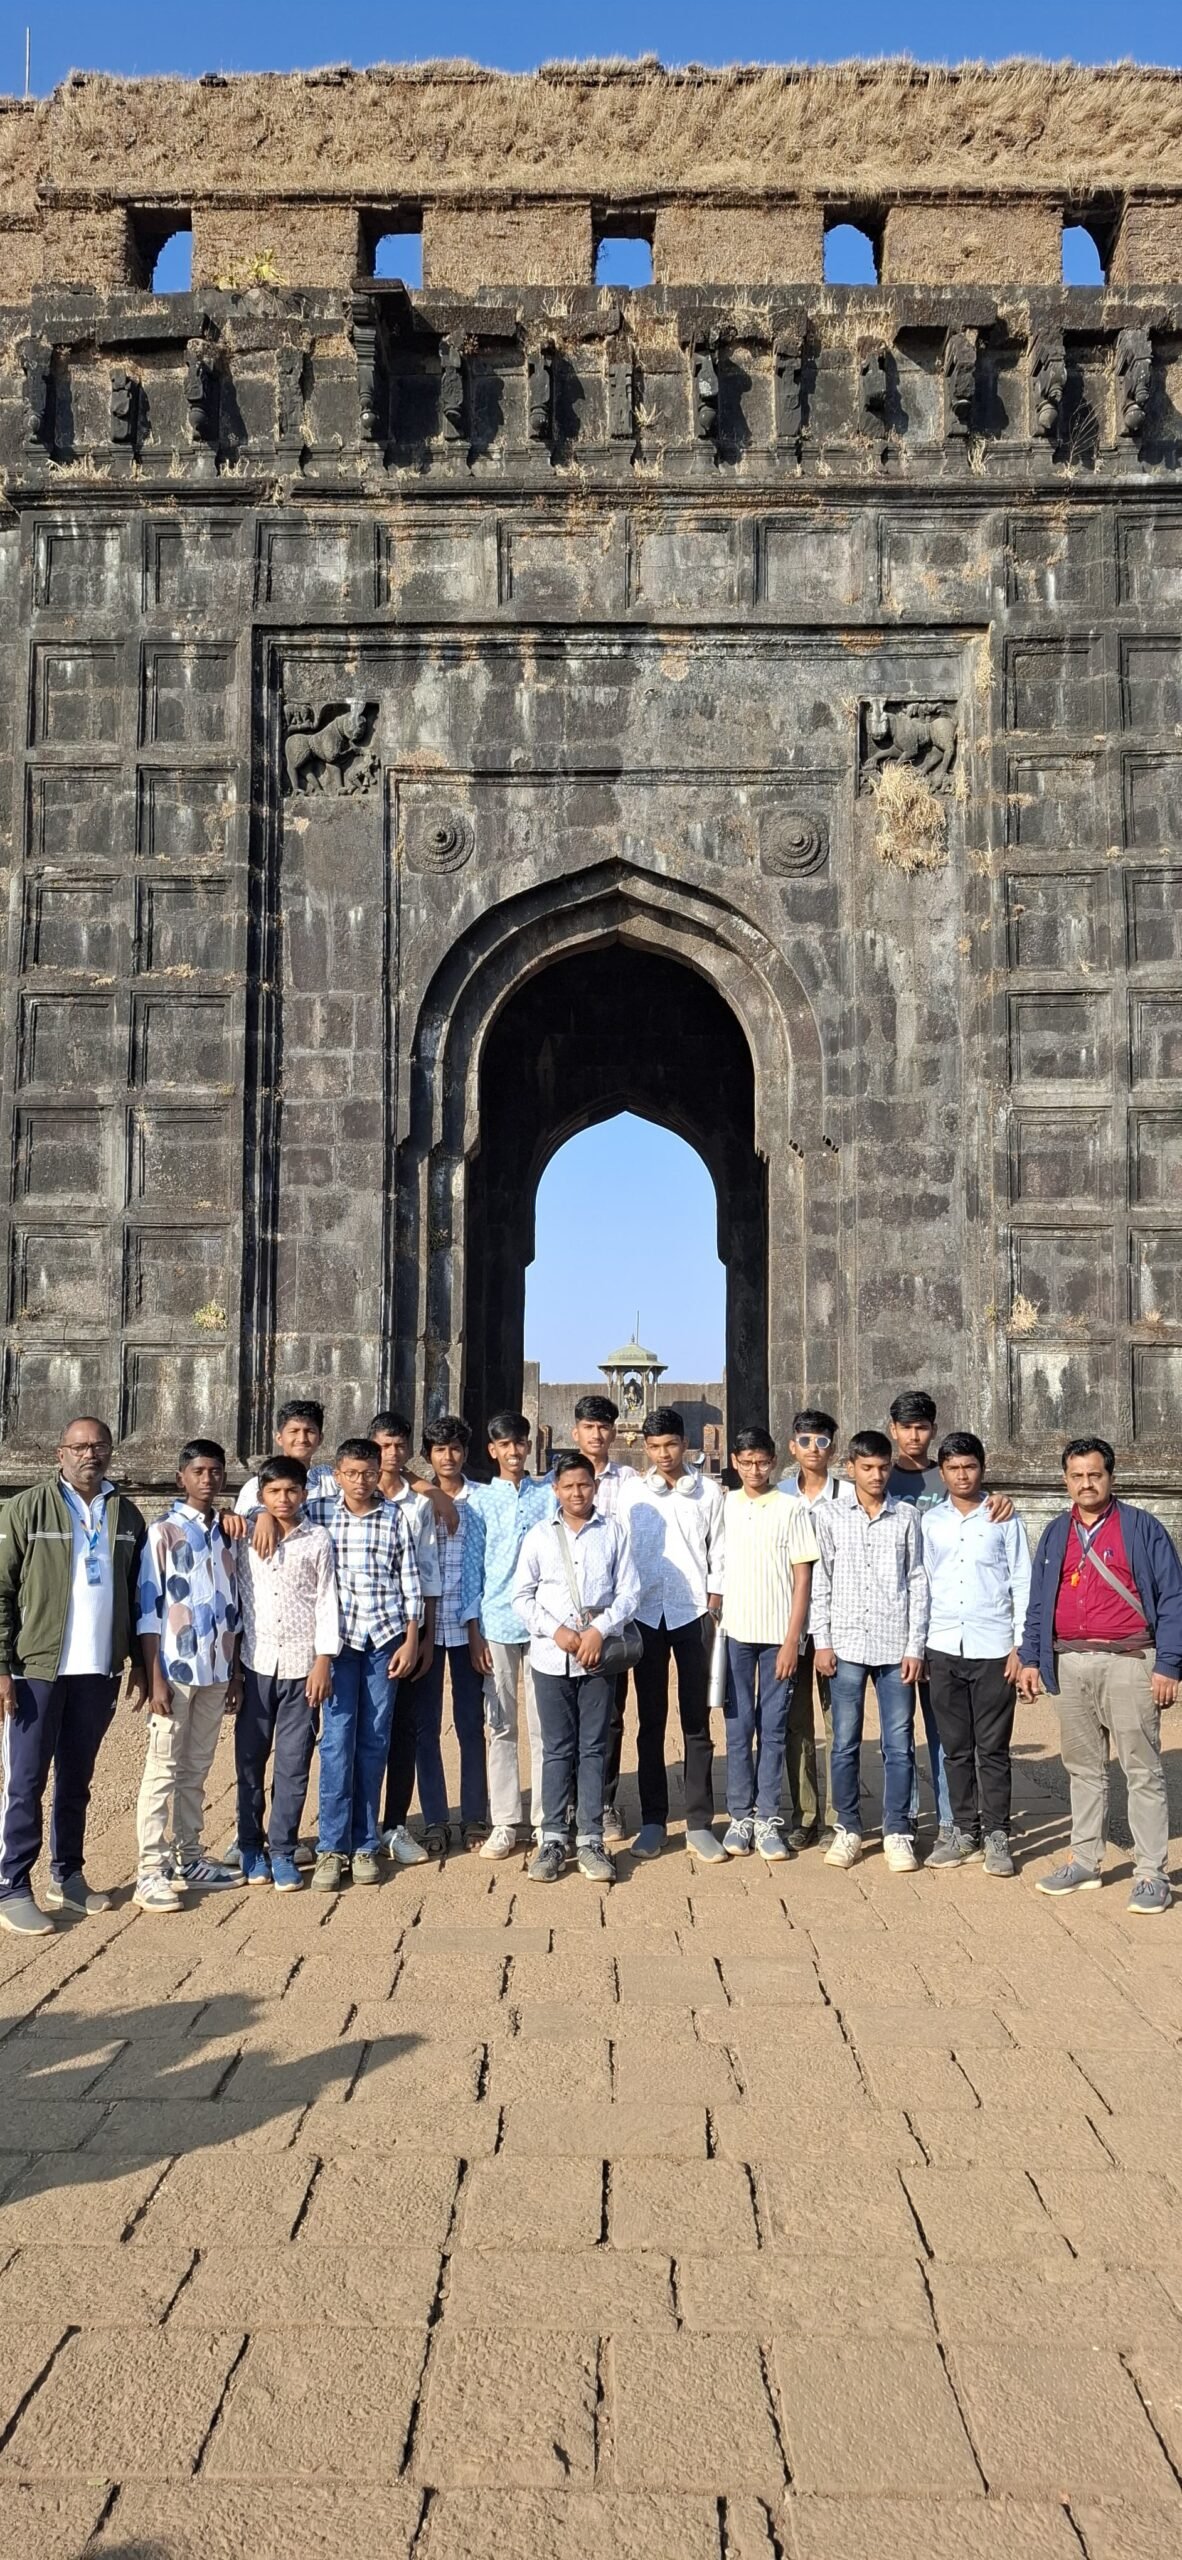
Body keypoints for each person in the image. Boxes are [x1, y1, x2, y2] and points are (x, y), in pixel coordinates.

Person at [1018, 1436, 1182, 1914]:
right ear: (1065, 1480)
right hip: (1069, 1662)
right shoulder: (1055, 1533)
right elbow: (1038, 1602)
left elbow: (1173, 1599)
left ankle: (1151, 1873)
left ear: (1110, 1477)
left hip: (1129, 1661)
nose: (1086, 1484)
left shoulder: (1142, 1528)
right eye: (1077, 1476)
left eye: (1095, 1475)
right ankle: (1085, 1860)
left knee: (1142, 1770)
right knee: (1083, 1768)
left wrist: (1169, 1664)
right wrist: (1031, 1657)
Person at [0, 1417, 147, 1936]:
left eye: (99, 1446)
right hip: (36, 1669)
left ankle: (67, 1876)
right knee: (25, 1780)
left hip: (96, 1669)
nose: (90, 1454)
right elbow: (0, 1590)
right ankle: (11, 1885)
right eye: (79, 1446)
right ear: (59, 1453)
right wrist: (2, 1667)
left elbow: (138, 1593)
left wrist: (138, 1662)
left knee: (77, 1779)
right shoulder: (26, 1509)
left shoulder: (126, 1514)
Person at [887, 1389, 1016, 1852]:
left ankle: (958, 1823)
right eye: (906, 1427)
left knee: (956, 1736)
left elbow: (1012, 1565)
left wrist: (1004, 1499)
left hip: (960, 1632)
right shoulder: (879, 1475)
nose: (914, 1435)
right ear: (893, 1430)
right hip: (903, 1626)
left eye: (922, 1427)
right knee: (902, 1733)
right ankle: (910, 1823)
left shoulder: (959, 1486)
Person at [513, 1451, 641, 1884]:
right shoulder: (539, 1536)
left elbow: (629, 1592)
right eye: (567, 1486)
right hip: (552, 1658)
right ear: (555, 1489)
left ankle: (590, 1838)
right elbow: (522, 1596)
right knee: (556, 1749)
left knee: (593, 1748)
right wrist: (557, 1632)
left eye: (584, 1484)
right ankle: (552, 1837)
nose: (576, 1493)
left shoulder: (614, 1532)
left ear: (596, 1486)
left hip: (598, 1659)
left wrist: (599, 1631)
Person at [812, 1428, 930, 1872]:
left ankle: (898, 1829)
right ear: (851, 1469)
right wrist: (822, 1641)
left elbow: (918, 1581)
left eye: (882, 1467)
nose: (876, 1475)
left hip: (894, 1644)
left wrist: (915, 1645)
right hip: (845, 1643)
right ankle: (848, 1827)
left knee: (898, 1742)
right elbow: (821, 1580)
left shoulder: (907, 1517)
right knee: (844, 1742)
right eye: (867, 1468)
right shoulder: (829, 1516)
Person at [306, 1439, 422, 1892]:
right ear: (337, 1474)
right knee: (337, 1741)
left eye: (369, 1473)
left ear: (380, 1473)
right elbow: (275, 1515)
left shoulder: (393, 1516)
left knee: (374, 1740)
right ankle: (332, 1846)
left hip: (383, 1639)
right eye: (352, 1473)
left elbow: (409, 1581)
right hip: (337, 1643)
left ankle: (365, 1843)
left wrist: (411, 1640)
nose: (360, 1481)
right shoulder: (318, 1512)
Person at [133, 1439, 242, 1913]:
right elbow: (149, 1610)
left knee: (197, 1767)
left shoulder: (227, 1532)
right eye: (198, 1471)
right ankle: (149, 1870)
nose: (207, 1479)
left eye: (215, 1471)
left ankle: (189, 1856)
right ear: (181, 1477)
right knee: (163, 1768)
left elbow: (234, 1607)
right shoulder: (164, 1532)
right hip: (175, 1669)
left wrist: (234, 1673)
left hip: (216, 1667)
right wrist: (154, 1675)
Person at [921, 1433, 1031, 1878]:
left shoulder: (1003, 1517)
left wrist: (1020, 1646)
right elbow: (925, 1582)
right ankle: (965, 1831)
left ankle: (997, 1834)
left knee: (993, 1749)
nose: (962, 1475)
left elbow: (1021, 1580)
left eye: (969, 1466)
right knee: (955, 1748)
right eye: (953, 1468)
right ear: (942, 1472)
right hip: (944, 1644)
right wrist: (921, 1645)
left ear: (982, 1468)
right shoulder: (932, 1522)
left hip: (993, 1647)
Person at [621, 1407, 728, 1863]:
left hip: (692, 1613)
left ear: (685, 1444)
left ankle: (700, 1822)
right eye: (654, 1447)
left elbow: (720, 1548)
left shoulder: (709, 1493)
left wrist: (715, 1599)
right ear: (645, 1448)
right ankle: (653, 1820)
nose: (663, 1454)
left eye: (670, 1445)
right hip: (645, 1613)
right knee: (650, 1721)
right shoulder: (630, 1493)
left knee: (696, 1720)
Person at [234, 1456, 340, 1892]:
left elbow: (327, 1601)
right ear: (261, 1495)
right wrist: (233, 1671)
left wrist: (323, 1660)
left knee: (294, 1764)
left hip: (301, 1666)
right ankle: (248, 1845)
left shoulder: (317, 1539)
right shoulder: (244, 1536)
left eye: (292, 1490)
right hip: (255, 1663)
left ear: (305, 1494)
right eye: (274, 1492)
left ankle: (282, 1848)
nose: (284, 1499)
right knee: (249, 1760)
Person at [720, 1428, 818, 1861]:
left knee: (773, 1730)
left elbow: (802, 1578)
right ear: (735, 1462)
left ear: (774, 1461)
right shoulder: (726, 1505)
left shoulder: (791, 1508)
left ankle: (767, 1817)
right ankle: (739, 1815)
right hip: (736, 1633)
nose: (754, 1470)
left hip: (778, 1636)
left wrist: (793, 1639)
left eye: (761, 1462)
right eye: (746, 1462)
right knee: (739, 1729)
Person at [467, 1410, 553, 1860]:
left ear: (529, 1446)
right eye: (505, 1444)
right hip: (497, 1621)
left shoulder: (548, 1495)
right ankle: (504, 1820)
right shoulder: (480, 1501)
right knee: (500, 1724)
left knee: (544, 1725)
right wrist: (474, 1629)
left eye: (520, 1443)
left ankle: (545, 1819)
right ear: (493, 1450)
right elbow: (472, 1567)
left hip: (542, 1624)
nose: (514, 1451)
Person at [404, 1414, 488, 1851]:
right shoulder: (415, 1503)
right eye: (439, 1450)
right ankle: (435, 1818)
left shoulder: (481, 1501)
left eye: (455, 1448)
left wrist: (478, 1628)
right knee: (426, 1726)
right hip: (427, 1627)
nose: (449, 1456)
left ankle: (474, 1815)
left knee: (472, 1724)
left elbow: (486, 1567)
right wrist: (427, 1488)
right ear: (428, 1456)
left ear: (466, 1452)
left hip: (467, 1623)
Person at [368, 1411, 443, 1864]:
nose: (391, 1454)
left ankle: (394, 1822)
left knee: (404, 1730)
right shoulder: (345, 1495)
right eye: (383, 1446)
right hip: (360, 1634)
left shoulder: (418, 1505)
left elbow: (429, 1574)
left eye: (399, 1445)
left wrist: (426, 1638)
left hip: (408, 1630)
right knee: (361, 1732)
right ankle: (358, 1826)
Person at [778, 1407, 854, 1846]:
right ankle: (804, 1814)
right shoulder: (780, 1496)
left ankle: (839, 1816)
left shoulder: (849, 1496)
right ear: (793, 1447)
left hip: (837, 1625)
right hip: (789, 1624)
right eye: (805, 1441)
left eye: (821, 1441)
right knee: (796, 1723)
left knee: (838, 1722)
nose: (813, 1448)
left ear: (833, 1448)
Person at [563, 1395, 633, 1843]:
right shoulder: (554, 1482)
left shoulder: (630, 1482)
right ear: (576, 1431)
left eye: (604, 1426)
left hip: (610, 1619)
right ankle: (565, 1801)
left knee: (608, 1716)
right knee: (563, 1717)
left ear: (615, 1431)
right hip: (564, 1623)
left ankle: (602, 1802)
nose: (596, 1433)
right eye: (589, 1426)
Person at [237, 1398, 336, 1512]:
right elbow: (243, 1519)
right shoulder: (256, 1485)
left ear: (320, 1438)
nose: (302, 1439)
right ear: (279, 1438)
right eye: (294, 1431)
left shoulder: (331, 1482)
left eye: (310, 1431)